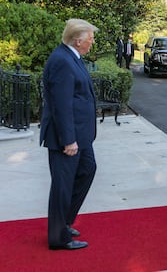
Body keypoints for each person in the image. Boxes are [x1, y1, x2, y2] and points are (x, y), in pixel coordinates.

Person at [40, 18, 98, 250]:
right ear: (78, 40)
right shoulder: (62, 60)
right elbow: (61, 105)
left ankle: (64, 222)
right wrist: (69, 140)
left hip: (81, 135)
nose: (92, 43)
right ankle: (58, 237)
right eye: (90, 39)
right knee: (62, 186)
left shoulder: (72, 57)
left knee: (87, 170)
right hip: (68, 138)